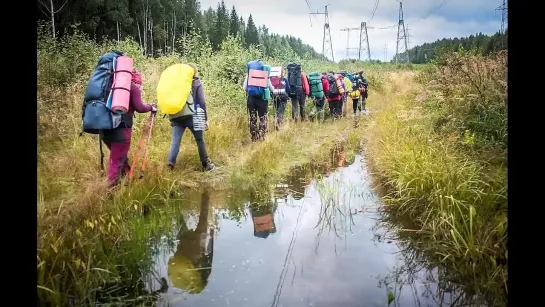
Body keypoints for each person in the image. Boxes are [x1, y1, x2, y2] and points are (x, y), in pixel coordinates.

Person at [100, 69, 157, 188]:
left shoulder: (110, 84)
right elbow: (140, 107)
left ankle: (126, 180)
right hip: (122, 128)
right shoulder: (132, 87)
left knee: (120, 155)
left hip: (104, 127)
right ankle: (111, 192)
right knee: (117, 160)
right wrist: (151, 107)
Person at [167, 63, 215, 171]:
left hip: (176, 116)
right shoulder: (196, 83)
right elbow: (201, 102)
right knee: (199, 140)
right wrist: (205, 119)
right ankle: (206, 164)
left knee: (175, 141)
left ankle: (170, 165)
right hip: (193, 116)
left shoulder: (176, 83)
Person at [168, 189, 215, 293]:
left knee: (203, 218)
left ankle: (206, 191)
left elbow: (209, 255)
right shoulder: (182, 283)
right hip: (181, 255)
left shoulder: (202, 278)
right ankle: (172, 196)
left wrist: (212, 237)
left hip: (194, 252)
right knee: (180, 222)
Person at [243, 69, 275, 141]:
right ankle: (261, 134)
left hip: (251, 99)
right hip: (262, 99)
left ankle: (254, 136)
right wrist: (272, 89)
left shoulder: (249, 74)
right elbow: (271, 88)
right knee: (262, 117)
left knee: (252, 117)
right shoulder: (265, 74)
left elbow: (244, 88)